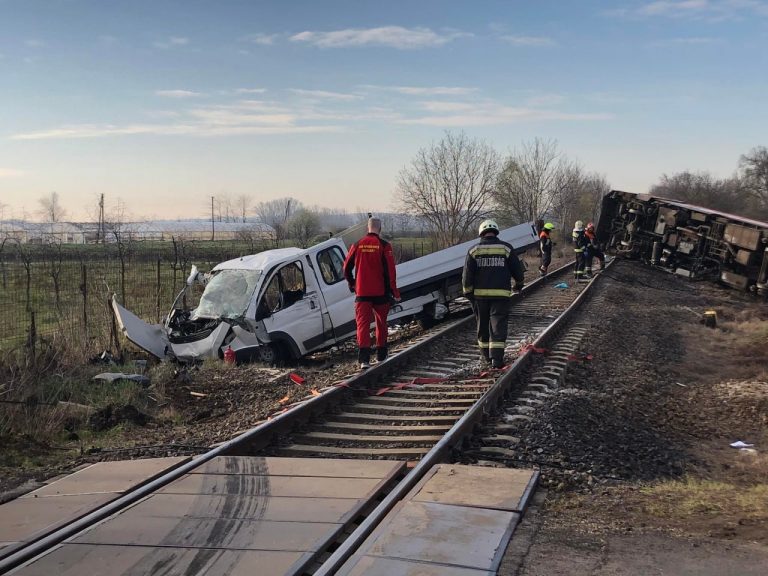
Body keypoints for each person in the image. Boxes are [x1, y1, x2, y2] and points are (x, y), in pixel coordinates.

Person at [462, 219, 525, 369]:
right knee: (498, 326)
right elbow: (518, 270)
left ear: (481, 233)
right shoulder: (506, 248)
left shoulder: (473, 250)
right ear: (496, 231)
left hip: (480, 298)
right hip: (501, 297)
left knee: (482, 326)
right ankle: (497, 360)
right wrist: (519, 284)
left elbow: (466, 276)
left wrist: (468, 293)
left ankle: (486, 357)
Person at [343, 217, 401, 369]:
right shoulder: (384, 245)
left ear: (367, 229)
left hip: (362, 293)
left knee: (362, 325)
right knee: (381, 323)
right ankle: (381, 355)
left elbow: (346, 268)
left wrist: (353, 283)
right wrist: (395, 292)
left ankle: (364, 360)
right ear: (380, 229)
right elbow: (390, 271)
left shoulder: (356, 245)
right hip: (380, 293)